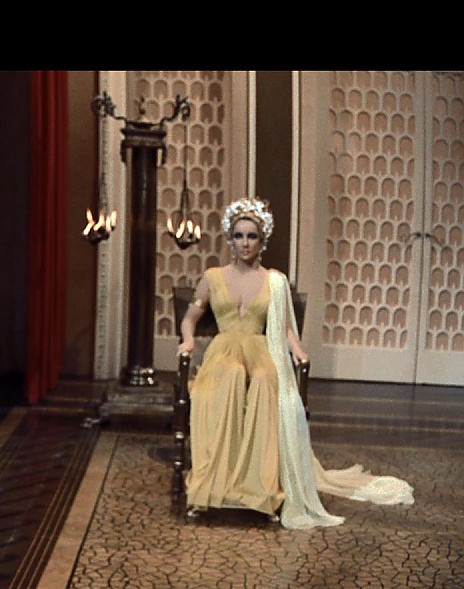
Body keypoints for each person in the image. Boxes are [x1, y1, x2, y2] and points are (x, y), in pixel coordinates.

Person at [177, 196, 413, 530]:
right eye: (239, 236)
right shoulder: (212, 277)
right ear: (230, 238)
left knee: (264, 381)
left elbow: (285, 327)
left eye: (252, 236)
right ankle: (218, 480)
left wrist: (298, 350)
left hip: (260, 348)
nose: (245, 243)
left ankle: (259, 486)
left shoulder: (275, 280)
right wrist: (188, 340)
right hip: (224, 350)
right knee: (230, 375)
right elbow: (190, 318)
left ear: (262, 240)